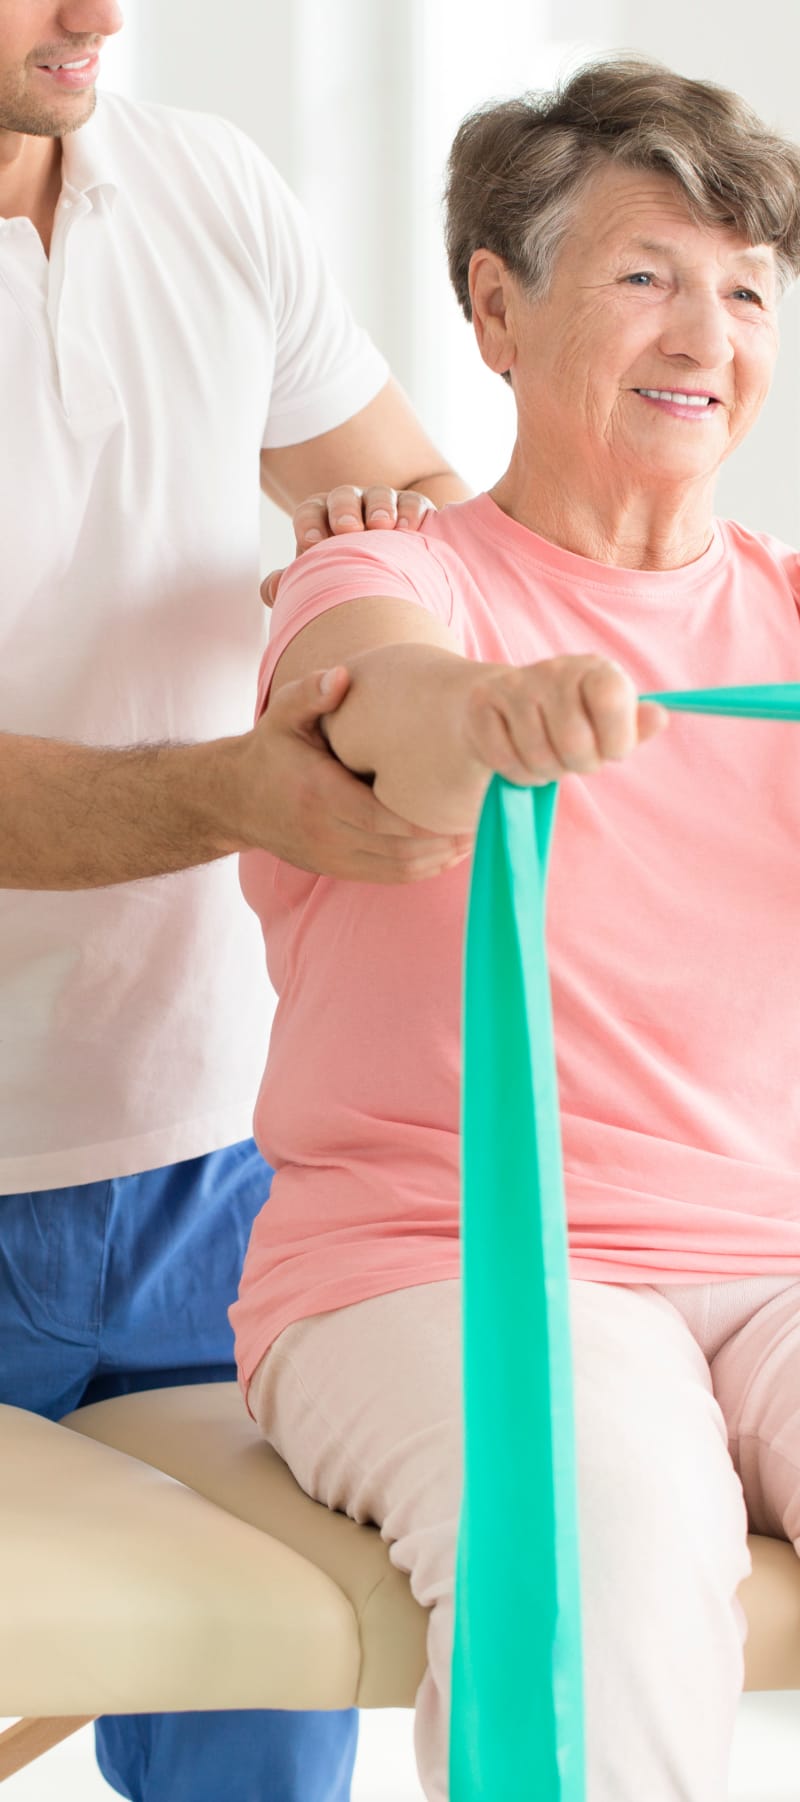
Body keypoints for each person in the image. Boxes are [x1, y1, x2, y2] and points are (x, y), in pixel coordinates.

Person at [232, 54, 800, 1802]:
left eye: (746, 289)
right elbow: (373, 713)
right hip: (440, 1253)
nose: (703, 331)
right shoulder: (394, 575)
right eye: (646, 276)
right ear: (495, 306)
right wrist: (488, 717)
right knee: (604, 1544)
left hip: (770, 1258)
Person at [0, 3, 471, 1799]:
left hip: (221, 1165)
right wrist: (229, 792)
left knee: (263, 1752)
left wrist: (365, 564)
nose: (98, 13)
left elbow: (420, 504)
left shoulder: (208, 189)